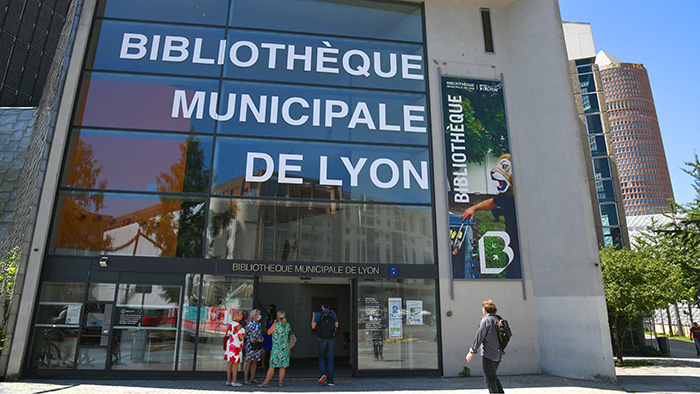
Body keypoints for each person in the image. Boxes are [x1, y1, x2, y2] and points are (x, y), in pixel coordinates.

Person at [466, 299, 505, 393]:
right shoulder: (498, 319)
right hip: (498, 355)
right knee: (492, 376)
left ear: (485, 310)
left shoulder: (486, 320)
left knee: (490, 380)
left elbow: (479, 337)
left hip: (488, 355)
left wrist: (471, 351)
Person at [258, 310, 291, 388]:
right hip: (285, 347)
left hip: (277, 347)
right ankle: (280, 383)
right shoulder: (287, 325)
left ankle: (265, 383)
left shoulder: (275, 325)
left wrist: (274, 323)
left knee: (272, 365)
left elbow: (268, 332)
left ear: (277, 316)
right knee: (282, 366)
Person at [311, 300, 338, 386]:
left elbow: (313, 326)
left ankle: (323, 374)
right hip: (331, 339)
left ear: (322, 306)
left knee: (322, 357)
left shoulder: (319, 314)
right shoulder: (333, 314)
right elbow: (337, 325)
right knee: (330, 359)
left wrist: (313, 316)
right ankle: (330, 381)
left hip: (321, 338)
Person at [224, 309, 245, 387]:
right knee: (236, 364)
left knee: (230, 363)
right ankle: (234, 381)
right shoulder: (237, 325)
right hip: (236, 345)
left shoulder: (231, 324)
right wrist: (246, 331)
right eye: (241, 314)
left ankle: (228, 380)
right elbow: (241, 337)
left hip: (230, 345)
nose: (242, 316)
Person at [243, 308, 264, 385]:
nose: (259, 315)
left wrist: (261, 338)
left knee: (255, 361)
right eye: (258, 314)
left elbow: (260, 333)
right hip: (251, 345)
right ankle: (245, 378)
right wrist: (256, 339)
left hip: (257, 345)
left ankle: (252, 377)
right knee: (249, 361)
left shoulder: (258, 324)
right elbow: (246, 336)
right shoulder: (250, 324)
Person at [261, 304, 276, 369]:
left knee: (271, 352)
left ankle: (271, 365)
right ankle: (263, 365)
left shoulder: (276, 319)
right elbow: (264, 328)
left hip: (273, 337)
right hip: (267, 337)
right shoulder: (267, 318)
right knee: (263, 351)